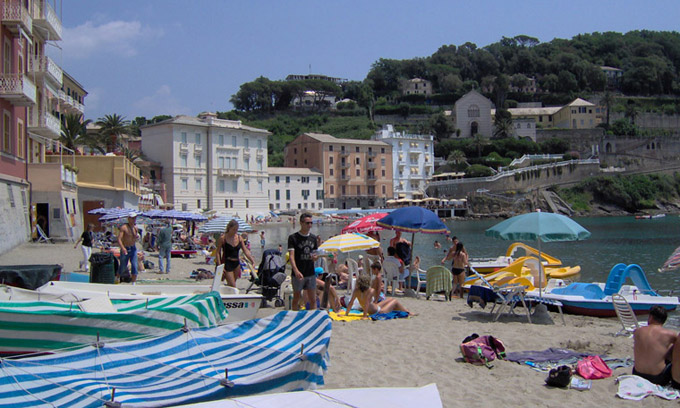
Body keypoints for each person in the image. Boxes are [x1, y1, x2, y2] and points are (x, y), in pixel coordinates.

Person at [633, 305, 677, 385]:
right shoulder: (670, 334)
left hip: (637, 374)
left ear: (651, 317)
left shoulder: (637, 331)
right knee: (673, 347)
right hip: (658, 378)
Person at [288, 213, 318, 311]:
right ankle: (294, 317)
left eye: (311, 223)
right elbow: (291, 257)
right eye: (307, 223)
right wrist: (296, 271)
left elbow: (315, 253)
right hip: (298, 272)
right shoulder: (293, 238)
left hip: (310, 272)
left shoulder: (313, 238)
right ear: (301, 223)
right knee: (296, 298)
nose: (309, 225)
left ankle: (312, 318)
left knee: (313, 299)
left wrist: (315, 258)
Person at [345, 275, 412, 319]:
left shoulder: (356, 291)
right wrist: (365, 316)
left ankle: (406, 311)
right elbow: (367, 303)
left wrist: (346, 314)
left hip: (374, 307)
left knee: (391, 299)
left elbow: (351, 302)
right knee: (395, 301)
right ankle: (408, 312)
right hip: (378, 311)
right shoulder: (370, 290)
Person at [216, 219, 255, 287]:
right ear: (229, 228)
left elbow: (245, 251)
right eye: (234, 229)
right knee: (232, 284)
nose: (235, 231)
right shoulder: (223, 238)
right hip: (227, 263)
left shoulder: (239, 238)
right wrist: (219, 265)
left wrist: (252, 261)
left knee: (232, 284)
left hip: (237, 264)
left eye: (236, 229)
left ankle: (226, 294)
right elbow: (217, 252)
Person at [117, 213, 140, 283]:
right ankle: (117, 278)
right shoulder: (124, 227)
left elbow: (135, 238)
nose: (133, 220)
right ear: (129, 218)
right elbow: (119, 239)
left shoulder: (135, 228)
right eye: (132, 218)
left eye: (135, 218)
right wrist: (123, 248)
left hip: (133, 248)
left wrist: (136, 237)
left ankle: (133, 282)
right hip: (125, 248)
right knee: (123, 266)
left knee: (134, 265)